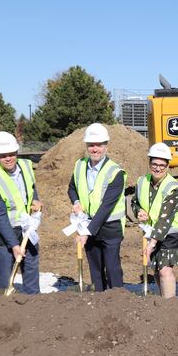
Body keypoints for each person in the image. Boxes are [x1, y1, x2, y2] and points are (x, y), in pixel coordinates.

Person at [67, 123, 127, 291]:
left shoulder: (115, 172)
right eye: (91, 145)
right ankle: (100, 302)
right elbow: (72, 188)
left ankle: (117, 300)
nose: (95, 149)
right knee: (95, 269)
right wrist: (76, 202)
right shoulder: (79, 165)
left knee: (112, 268)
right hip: (88, 223)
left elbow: (106, 207)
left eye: (99, 145)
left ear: (106, 146)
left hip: (110, 227)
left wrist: (86, 232)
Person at [0, 131, 42, 295]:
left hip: (26, 228)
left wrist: (35, 200)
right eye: (3, 156)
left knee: (31, 265)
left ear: (16, 152)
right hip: (4, 234)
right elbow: (0, 217)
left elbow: (31, 188)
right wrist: (14, 245)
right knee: (5, 274)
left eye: (11, 154)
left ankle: (34, 301)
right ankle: (4, 309)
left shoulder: (26, 166)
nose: (8, 158)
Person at [132, 142, 178, 298]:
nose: (158, 168)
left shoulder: (174, 188)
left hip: (170, 234)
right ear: (149, 163)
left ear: (168, 166)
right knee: (156, 269)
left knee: (165, 270)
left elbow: (165, 219)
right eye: (154, 164)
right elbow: (134, 202)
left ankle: (169, 306)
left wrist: (151, 244)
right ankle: (164, 299)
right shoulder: (142, 181)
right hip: (153, 231)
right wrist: (139, 211)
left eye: (162, 165)